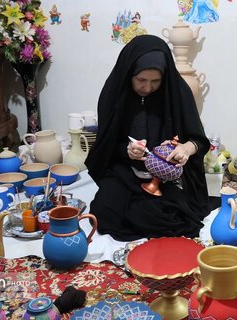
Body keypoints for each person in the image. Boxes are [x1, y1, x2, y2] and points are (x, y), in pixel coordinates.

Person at [85, 34, 211, 241]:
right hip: (124, 171)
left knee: (170, 217)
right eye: (141, 80)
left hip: (167, 176)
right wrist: (127, 150)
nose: (147, 88)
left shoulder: (177, 93)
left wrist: (186, 150)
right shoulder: (114, 94)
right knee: (104, 212)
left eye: (155, 81)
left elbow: (199, 140)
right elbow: (107, 144)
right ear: (129, 74)